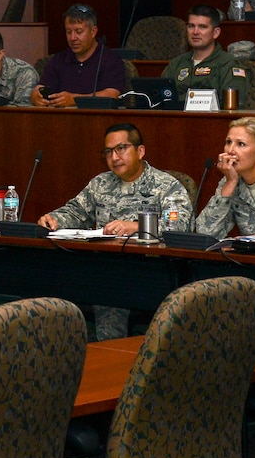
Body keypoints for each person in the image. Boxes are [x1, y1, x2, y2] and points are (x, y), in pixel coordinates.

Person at [37, 122, 193, 340]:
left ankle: (111, 360)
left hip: (150, 271)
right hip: (104, 266)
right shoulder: (101, 183)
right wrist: (54, 219)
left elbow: (179, 228)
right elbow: (76, 211)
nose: (114, 157)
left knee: (110, 295)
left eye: (121, 148)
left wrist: (137, 227)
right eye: (108, 151)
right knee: (49, 280)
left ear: (140, 151)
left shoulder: (167, 186)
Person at [33, 4, 127, 106]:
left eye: (79, 31)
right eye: (68, 32)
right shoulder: (58, 60)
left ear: (93, 31)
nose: (73, 38)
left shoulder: (110, 60)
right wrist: (35, 96)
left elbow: (112, 95)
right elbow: (40, 88)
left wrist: (74, 100)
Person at [159, 5, 253, 93]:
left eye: (202, 27)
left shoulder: (229, 65)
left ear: (215, 33)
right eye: (191, 26)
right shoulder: (176, 64)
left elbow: (233, 107)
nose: (195, 32)